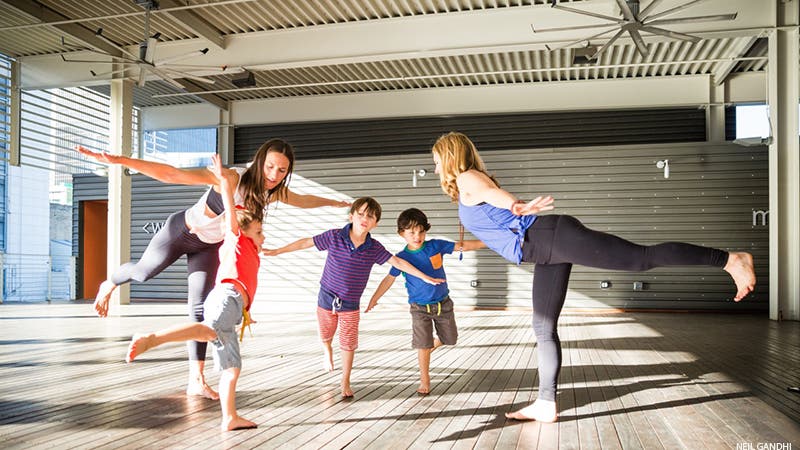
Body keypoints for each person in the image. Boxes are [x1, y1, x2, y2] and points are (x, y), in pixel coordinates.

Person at [430, 131, 756, 423]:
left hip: (552, 238)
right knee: (542, 326)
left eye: (435, 161)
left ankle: (729, 259)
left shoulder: (468, 178)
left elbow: (497, 197)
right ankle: (546, 402)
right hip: (545, 251)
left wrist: (517, 206)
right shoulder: (467, 185)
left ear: (448, 157)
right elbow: (494, 226)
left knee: (640, 259)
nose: (434, 169)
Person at [77, 140, 348, 400]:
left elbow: (302, 200)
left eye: (282, 170)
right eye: (270, 166)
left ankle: (196, 380)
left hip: (209, 247)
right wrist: (120, 160)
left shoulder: (270, 191)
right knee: (143, 273)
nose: (274, 174)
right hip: (181, 232)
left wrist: (335, 203)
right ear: (258, 161)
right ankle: (110, 281)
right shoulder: (231, 178)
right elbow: (173, 174)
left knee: (199, 309)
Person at [126, 154, 263, 431]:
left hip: (227, 302)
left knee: (206, 333)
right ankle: (229, 417)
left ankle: (154, 340)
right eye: (259, 232)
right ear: (243, 232)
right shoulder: (235, 239)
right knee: (227, 362)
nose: (263, 237)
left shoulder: (249, 249)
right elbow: (231, 212)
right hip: (226, 299)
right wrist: (225, 183)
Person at [264, 197, 445, 399]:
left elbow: (398, 262)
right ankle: (327, 349)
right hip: (326, 296)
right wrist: (278, 251)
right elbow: (306, 242)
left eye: (370, 216)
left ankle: (345, 381)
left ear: (375, 223)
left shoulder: (374, 248)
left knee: (349, 341)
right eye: (361, 214)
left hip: (351, 303)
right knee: (326, 333)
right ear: (352, 216)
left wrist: (425, 277)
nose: (365, 218)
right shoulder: (334, 236)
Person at [365, 208, 485, 395]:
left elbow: (463, 246)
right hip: (419, 308)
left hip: (443, 304)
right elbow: (389, 279)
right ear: (401, 233)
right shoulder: (402, 258)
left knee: (450, 339)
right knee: (423, 344)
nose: (417, 236)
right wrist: (374, 298)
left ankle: (427, 347)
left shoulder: (435, 246)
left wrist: (490, 242)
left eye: (421, 231)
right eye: (411, 232)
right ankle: (424, 379)